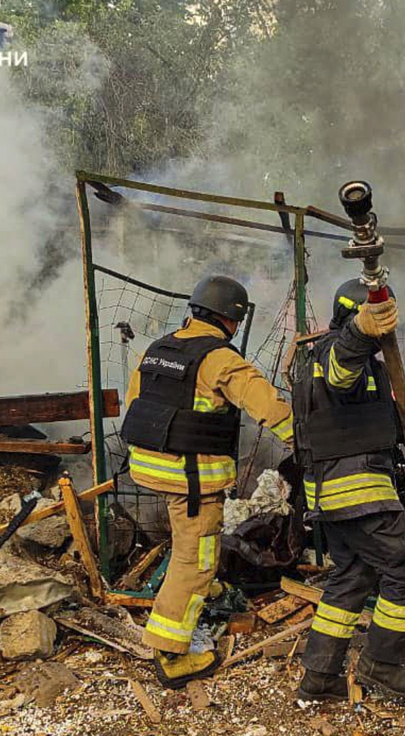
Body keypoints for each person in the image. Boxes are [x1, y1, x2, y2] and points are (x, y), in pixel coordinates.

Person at [122, 273, 293, 687]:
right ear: (231, 319)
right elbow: (266, 405)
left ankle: (205, 589)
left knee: (191, 544)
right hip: (191, 478)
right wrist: (307, 441)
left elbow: (134, 405)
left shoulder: (159, 349)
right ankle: (171, 653)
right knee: (194, 558)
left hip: (149, 465)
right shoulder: (219, 358)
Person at [293, 278, 405, 701]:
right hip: (356, 488)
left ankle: (319, 676)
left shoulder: (316, 359)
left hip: (332, 493)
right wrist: (362, 330)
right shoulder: (336, 352)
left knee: (353, 574)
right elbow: (343, 369)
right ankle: (382, 665)